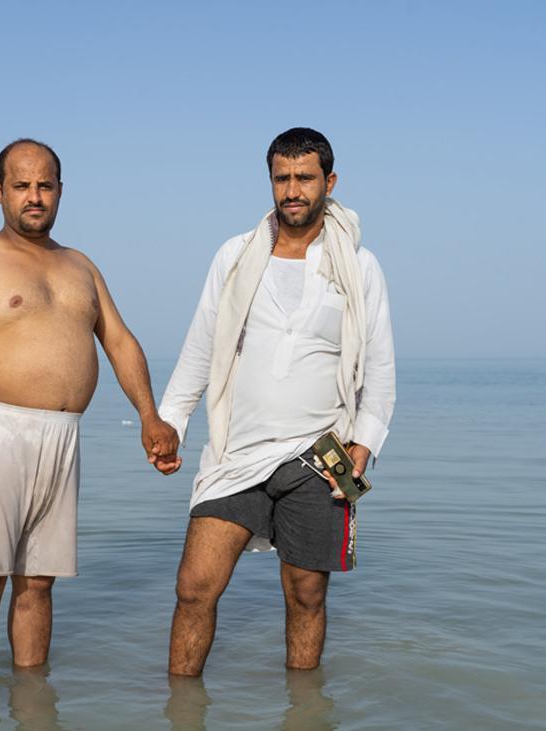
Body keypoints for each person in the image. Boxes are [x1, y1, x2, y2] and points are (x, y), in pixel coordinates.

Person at [0, 138, 178, 686]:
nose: (34, 197)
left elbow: (119, 341)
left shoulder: (80, 266)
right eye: (21, 186)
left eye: (45, 185)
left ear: (61, 190)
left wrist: (150, 416)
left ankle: (33, 705)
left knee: (39, 582)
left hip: (63, 437)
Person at [156, 128, 395, 676]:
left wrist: (366, 444)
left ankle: (303, 710)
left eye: (304, 178)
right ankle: (181, 710)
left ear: (328, 182)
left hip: (320, 453)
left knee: (306, 595)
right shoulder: (235, 256)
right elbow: (201, 346)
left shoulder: (359, 266)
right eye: (282, 178)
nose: (293, 189)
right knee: (194, 587)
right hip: (237, 450)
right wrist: (172, 421)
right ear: (270, 181)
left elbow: (379, 367)